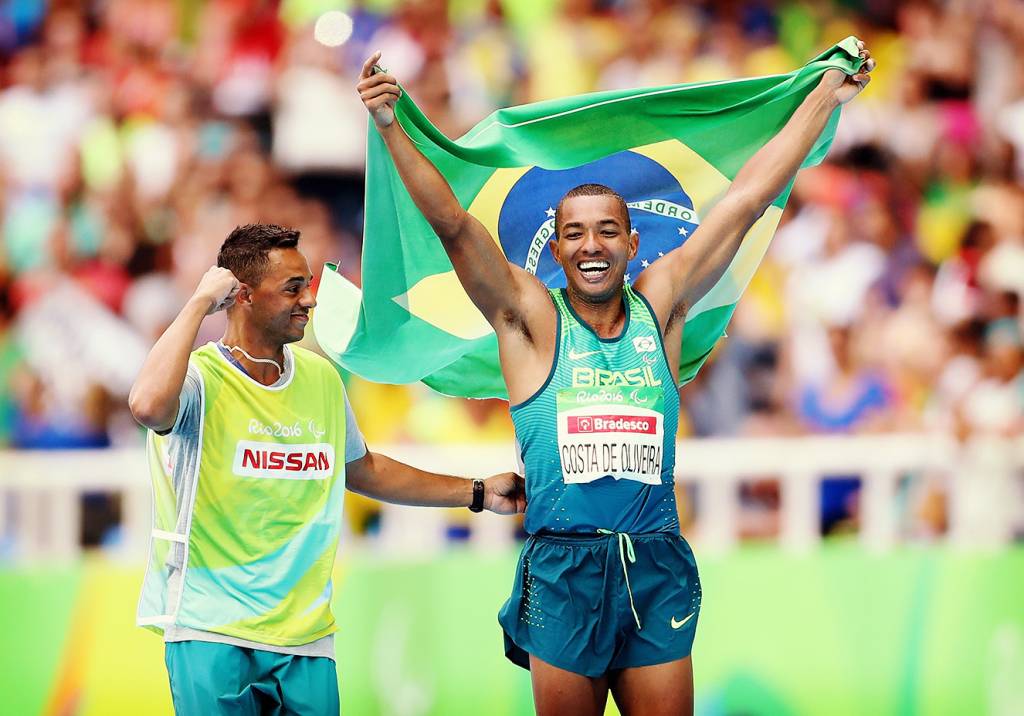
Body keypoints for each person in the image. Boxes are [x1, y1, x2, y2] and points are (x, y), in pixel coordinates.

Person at [357, 41, 875, 716]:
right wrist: (393, 128)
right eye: (574, 234)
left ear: (634, 244)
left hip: (655, 564)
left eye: (607, 231)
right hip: (564, 571)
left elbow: (749, 196)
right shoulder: (530, 321)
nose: (591, 245)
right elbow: (454, 225)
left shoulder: (662, 304)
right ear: (557, 245)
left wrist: (825, 94)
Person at [128, 223, 526, 715]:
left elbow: (365, 471)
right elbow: (146, 406)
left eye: (309, 284)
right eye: (293, 288)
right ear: (244, 296)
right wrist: (197, 304)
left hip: (306, 638)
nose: (309, 300)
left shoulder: (320, 378)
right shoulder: (198, 380)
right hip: (211, 629)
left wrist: (479, 492)